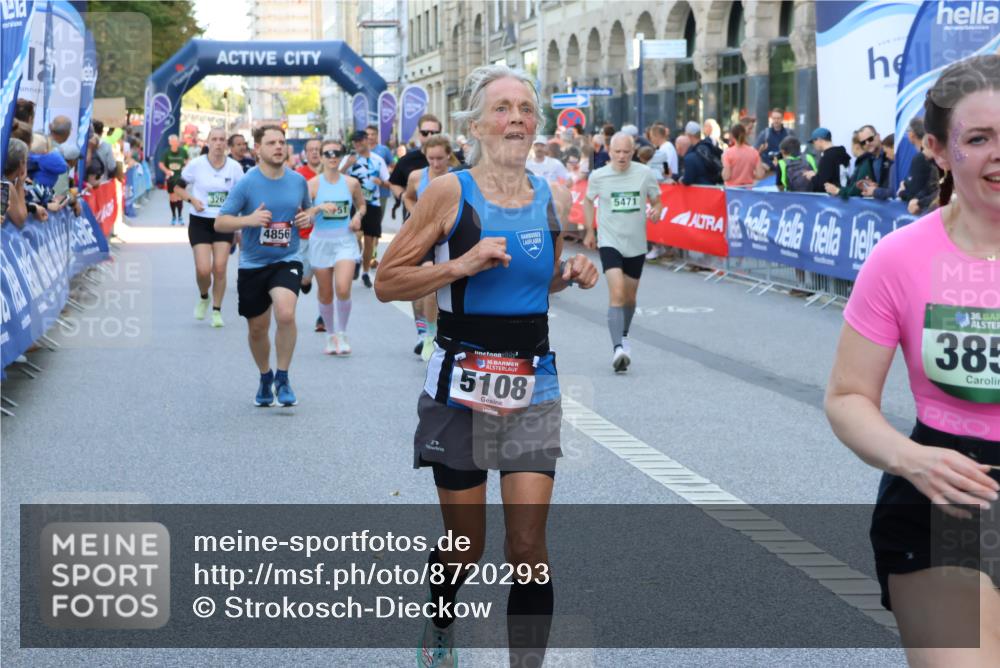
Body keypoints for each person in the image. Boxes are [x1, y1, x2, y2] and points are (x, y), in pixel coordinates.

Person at [374, 64, 598, 668]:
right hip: (460, 381)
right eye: (501, 108)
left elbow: (535, 283)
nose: (516, 119)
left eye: (525, 108)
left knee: (527, 545)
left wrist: (570, 272)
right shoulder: (449, 192)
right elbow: (387, 281)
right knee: (466, 545)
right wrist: (458, 265)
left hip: (534, 379)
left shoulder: (548, 196)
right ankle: (441, 623)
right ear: (476, 125)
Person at [825, 54, 1000, 666]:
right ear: (937, 149)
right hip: (947, 497)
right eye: (980, 139)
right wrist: (911, 459)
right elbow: (847, 397)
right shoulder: (900, 258)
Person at [215, 124, 313, 407]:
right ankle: (265, 375)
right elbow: (221, 221)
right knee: (258, 328)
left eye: (282, 142)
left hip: (287, 258)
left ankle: (283, 377)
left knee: (285, 314)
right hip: (253, 263)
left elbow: (304, 213)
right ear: (258, 149)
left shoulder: (297, 181)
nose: (279, 147)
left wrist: (308, 220)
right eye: (271, 143)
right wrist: (248, 221)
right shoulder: (247, 182)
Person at [583, 132, 664, 372]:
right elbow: (588, 201)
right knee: (616, 292)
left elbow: (657, 200)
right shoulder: (598, 176)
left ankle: (624, 335)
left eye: (626, 152)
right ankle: (618, 347)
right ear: (609, 151)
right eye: (617, 152)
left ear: (633, 152)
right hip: (609, 241)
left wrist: (657, 210)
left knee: (629, 298)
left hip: (636, 244)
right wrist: (589, 231)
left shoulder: (644, 174)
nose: (621, 156)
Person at [172, 127, 245, 327]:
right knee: (203, 270)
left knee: (219, 268)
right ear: (208, 142)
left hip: (224, 221)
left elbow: (243, 193)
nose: (219, 143)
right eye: (215, 139)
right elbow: (177, 187)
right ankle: (204, 296)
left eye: (222, 139)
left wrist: (239, 222)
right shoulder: (196, 165)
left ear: (226, 144)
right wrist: (193, 200)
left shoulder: (234, 167)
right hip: (200, 221)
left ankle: (216, 311)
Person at [306, 139, 365, 355]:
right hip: (321, 241)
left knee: (342, 288)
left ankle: (342, 333)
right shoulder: (312, 185)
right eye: (328, 153)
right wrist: (319, 207)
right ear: (320, 156)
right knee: (325, 293)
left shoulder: (351, 183)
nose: (332, 157)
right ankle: (330, 336)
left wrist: (358, 216)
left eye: (337, 153)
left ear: (341, 156)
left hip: (345, 241)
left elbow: (362, 205)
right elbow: (303, 215)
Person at [402, 134, 455, 360]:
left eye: (440, 159)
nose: (435, 163)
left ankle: (432, 333)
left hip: (447, 236)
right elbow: (407, 197)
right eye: (431, 158)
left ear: (449, 156)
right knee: (421, 284)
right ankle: (425, 333)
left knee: (437, 286)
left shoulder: (457, 177)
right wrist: (416, 213)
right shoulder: (417, 176)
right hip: (421, 236)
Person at [341, 129, 390, 288]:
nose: (357, 144)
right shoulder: (349, 159)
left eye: (359, 141)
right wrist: (348, 164)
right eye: (354, 142)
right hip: (354, 204)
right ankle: (357, 259)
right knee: (356, 237)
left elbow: (388, 181)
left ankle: (365, 272)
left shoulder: (378, 160)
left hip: (373, 204)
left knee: (370, 240)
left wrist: (380, 183)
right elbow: (336, 176)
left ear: (366, 141)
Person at [295, 138, 324, 296]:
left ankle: (323, 317)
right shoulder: (298, 176)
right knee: (305, 279)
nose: (314, 152)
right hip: (305, 234)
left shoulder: (331, 174)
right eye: (311, 149)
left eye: (318, 149)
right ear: (305, 154)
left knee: (326, 280)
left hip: (327, 234)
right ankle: (306, 279)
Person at [805, 127, 850, 193]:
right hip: (843, 193)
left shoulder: (827, 157)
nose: (813, 145)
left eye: (813, 141)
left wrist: (812, 177)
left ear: (819, 140)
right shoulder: (842, 153)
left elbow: (822, 186)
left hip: (832, 199)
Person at [721, 123, 766, 187]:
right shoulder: (753, 152)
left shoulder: (727, 153)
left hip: (732, 190)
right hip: (748, 189)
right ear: (745, 135)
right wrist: (750, 174)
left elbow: (726, 176)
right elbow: (760, 174)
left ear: (732, 136)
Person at [158, 134, 189, 225]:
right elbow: (161, 164)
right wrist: (167, 171)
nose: (175, 143)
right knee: (172, 197)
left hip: (180, 177)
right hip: (171, 178)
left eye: (176, 141)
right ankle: (173, 216)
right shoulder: (166, 152)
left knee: (179, 196)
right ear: (170, 143)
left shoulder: (183, 151)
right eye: (173, 142)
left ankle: (180, 216)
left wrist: (185, 167)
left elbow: (188, 160)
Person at [680, 121, 724, 186]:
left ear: (689, 135)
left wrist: (681, 179)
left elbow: (687, 180)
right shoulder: (708, 146)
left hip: (700, 193)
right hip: (715, 188)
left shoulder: (691, 156)